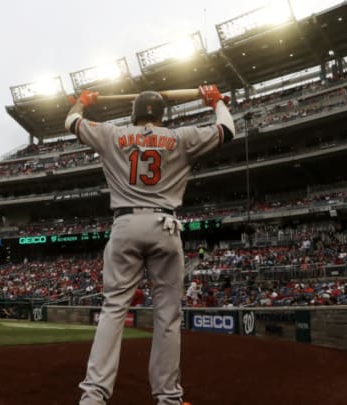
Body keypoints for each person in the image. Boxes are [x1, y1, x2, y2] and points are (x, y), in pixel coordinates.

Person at [65, 85, 235, 405]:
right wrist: (216, 101)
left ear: (134, 113)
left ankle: (93, 398)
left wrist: (82, 102)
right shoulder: (180, 136)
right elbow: (227, 129)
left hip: (125, 223)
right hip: (165, 225)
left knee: (113, 310)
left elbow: (71, 122)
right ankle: (168, 398)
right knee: (167, 315)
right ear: (161, 114)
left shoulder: (112, 134)